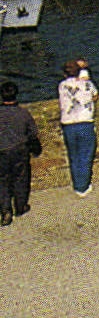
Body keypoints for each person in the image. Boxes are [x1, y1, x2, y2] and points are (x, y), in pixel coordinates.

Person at [0, 81, 42, 226]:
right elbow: (32, 133)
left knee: (2, 181)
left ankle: (5, 210)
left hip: (2, 151)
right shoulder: (23, 113)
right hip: (19, 150)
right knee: (21, 179)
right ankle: (20, 206)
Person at [56, 59, 97, 197]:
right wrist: (85, 68)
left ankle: (77, 183)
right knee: (85, 155)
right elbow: (95, 96)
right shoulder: (87, 84)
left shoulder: (62, 86)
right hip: (85, 123)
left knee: (73, 155)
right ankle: (82, 186)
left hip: (68, 125)